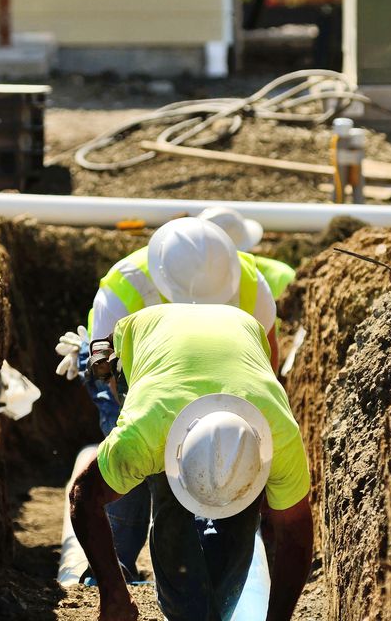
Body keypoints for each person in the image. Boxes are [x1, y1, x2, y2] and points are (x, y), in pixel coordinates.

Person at [69, 302, 313, 621]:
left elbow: (294, 534)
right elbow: (83, 496)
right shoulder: (148, 431)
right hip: (147, 340)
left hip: (240, 334)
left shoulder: (279, 436)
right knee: (168, 503)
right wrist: (114, 593)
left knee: (243, 513)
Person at [56, 216, 282, 581]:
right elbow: (118, 385)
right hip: (127, 371)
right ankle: (116, 564)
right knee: (127, 458)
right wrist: (154, 440)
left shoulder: (250, 282)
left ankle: (201, 562)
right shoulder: (125, 287)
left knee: (218, 453)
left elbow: (266, 365)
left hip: (216, 374)